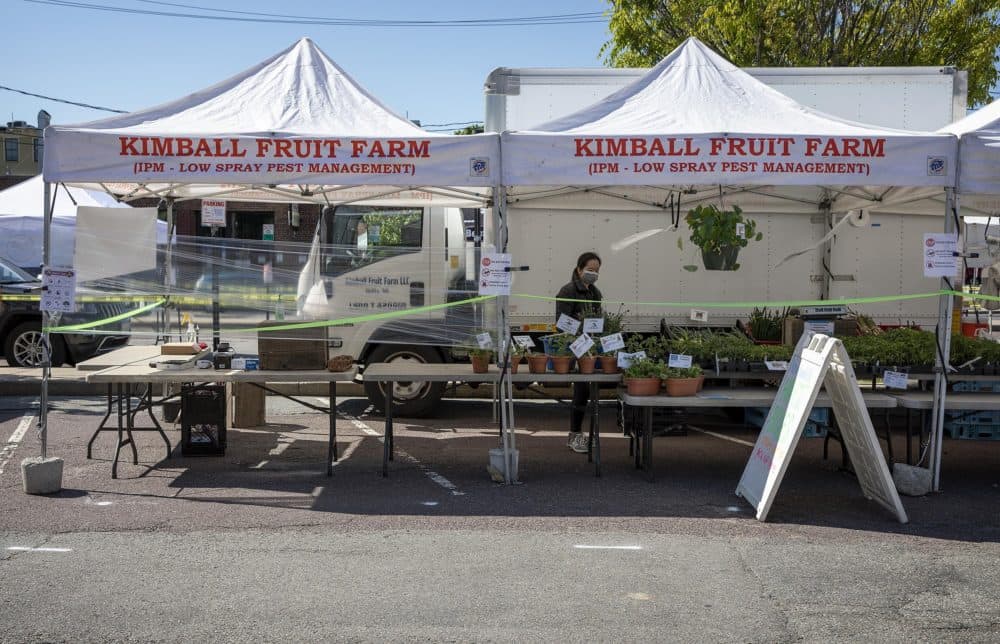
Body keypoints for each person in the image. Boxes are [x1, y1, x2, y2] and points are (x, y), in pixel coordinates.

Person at [555, 251, 602, 453]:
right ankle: (574, 434)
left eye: (597, 271)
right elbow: (561, 323)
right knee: (581, 390)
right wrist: (581, 328)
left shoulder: (596, 293)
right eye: (590, 270)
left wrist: (597, 330)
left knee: (585, 391)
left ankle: (580, 435)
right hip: (570, 347)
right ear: (579, 269)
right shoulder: (567, 291)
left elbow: (599, 321)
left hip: (588, 347)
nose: (593, 273)